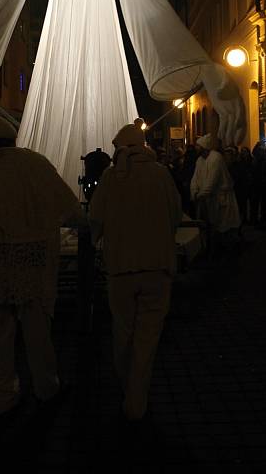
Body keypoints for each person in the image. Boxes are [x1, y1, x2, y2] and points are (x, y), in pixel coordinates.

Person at [0, 116, 86, 417]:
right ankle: (46, 387)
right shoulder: (35, 164)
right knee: (37, 326)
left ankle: (4, 397)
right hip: (30, 257)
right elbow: (67, 205)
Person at [89, 122, 182, 422]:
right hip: (157, 266)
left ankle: (128, 388)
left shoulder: (110, 178)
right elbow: (175, 214)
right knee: (148, 337)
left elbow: (96, 218)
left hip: (121, 268)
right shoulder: (161, 175)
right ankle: (137, 397)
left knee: (123, 332)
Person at [191, 134, 240, 252]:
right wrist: (194, 192)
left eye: (198, 146)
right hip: (207, 198)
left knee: (222, 225)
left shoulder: (216, 158)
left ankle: (226, 250)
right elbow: (195, 178)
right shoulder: (200, 160)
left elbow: (212, 180)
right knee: (210, 225)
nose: (196, 148)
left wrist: (201, 194)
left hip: (219, 197)